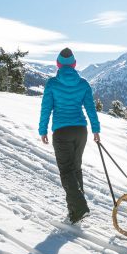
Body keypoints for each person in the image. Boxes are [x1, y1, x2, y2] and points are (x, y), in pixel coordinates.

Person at [38, 48, 101, 224]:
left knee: (66, 171)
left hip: (62, 131)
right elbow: (90, 109)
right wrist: (96, 130)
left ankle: (80, 207)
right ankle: (74, 212)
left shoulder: (52, 83)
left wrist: (42, 130)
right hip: (80, 131)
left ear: (58, 64)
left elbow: (46, 109)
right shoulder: (83, 83)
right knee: (75, 169)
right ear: (74, 64)